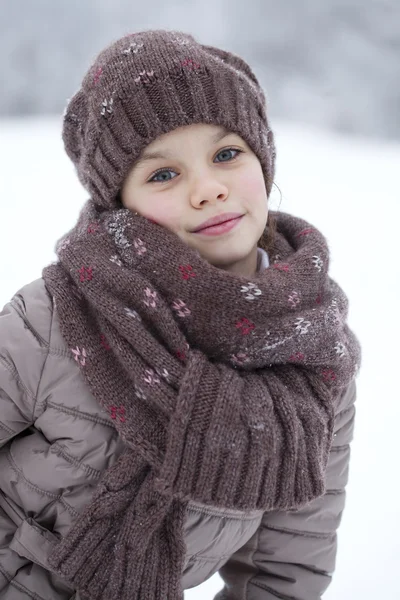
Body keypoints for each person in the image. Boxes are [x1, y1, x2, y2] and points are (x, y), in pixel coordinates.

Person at [0, 30, 361, 600]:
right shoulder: (51, 318)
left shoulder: (314, 349)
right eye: (163, 174)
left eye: (226, 155)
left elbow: (286, 561)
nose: (208, 189)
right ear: (120, 204)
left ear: (263, 161)